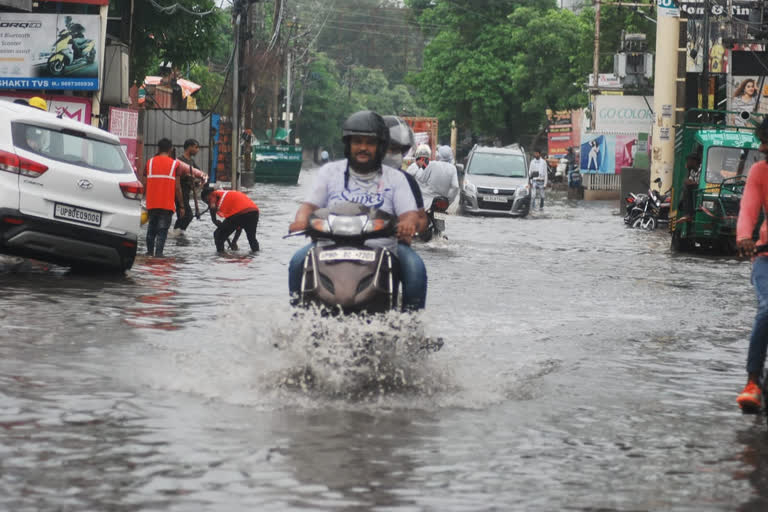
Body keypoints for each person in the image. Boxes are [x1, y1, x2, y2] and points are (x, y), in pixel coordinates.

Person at [287, 110, 427, 311]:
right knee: (297, 262)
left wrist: (407, 224)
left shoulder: (397, 179)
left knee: (415, 270)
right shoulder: (329, 172)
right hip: (328, 245)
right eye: (357, 142)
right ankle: (298, 317)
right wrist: (301, 219)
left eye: (370, 143)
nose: (363, 148)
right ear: (348, 145)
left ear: (380, 147)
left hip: (383, 246)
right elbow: (309, 206)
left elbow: (410, 214)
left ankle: (411, 323)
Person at [736, 117, 768, 412]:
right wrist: (745, 236)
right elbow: (748, 208)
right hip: (765, 257)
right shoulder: (760, 171)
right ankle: (752, 381)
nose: (762, 147)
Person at [140, 138, 207, 257]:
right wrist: (181, 206)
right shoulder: (175, 165)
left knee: (151, 230)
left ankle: (149, 253)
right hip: (166, 204)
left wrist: (142, 202)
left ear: (158, 149)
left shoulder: (149, 163)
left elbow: (144, 184)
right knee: (162, 232)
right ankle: (159, 255)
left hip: (152, 203)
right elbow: (177, 188)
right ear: (170, 149)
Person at [383, 115, 429, 233]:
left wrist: (410, 224)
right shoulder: (355, 175)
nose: (393, 154)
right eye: (389, 148)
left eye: (398, 150)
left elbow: (422, 219)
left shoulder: (407, 180)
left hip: (393, 241)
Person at [201, 185, 260, 253]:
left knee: (218, 235)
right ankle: (256, 258)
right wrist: (234, 241)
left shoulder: (213, 195)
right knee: (252, 239)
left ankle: (221, 257)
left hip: (241, 213)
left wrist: (214, 220)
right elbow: (239, 225)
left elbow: (212, 207)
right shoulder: (228, 196)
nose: (208, 203)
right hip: (253, 212)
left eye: (207, 201)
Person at [173, 138, 199, 234]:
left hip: (187, 192)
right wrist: (187, 176)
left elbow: (199, 174)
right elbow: (176, 176)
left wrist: (196, 181)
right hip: (179, 191)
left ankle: (178, 233)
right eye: (196, 147)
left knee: (183, 216)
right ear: (190, 147)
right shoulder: (179, 160)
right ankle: (176, 232)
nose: (197, 150)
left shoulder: (192, 162)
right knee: (187, 215)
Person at [679, 152, 702, 218]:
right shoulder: (692, 171)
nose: (687, 163)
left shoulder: (702, 169)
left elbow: (699, 183)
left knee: (688, 188)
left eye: (688, 161)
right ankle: (684, 208)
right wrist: (688, 170)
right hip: (694, 190)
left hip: (700, 190)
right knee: (685, 187)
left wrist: (692, 183)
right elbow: (688, 181)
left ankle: (689, 212)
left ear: (694, 161)